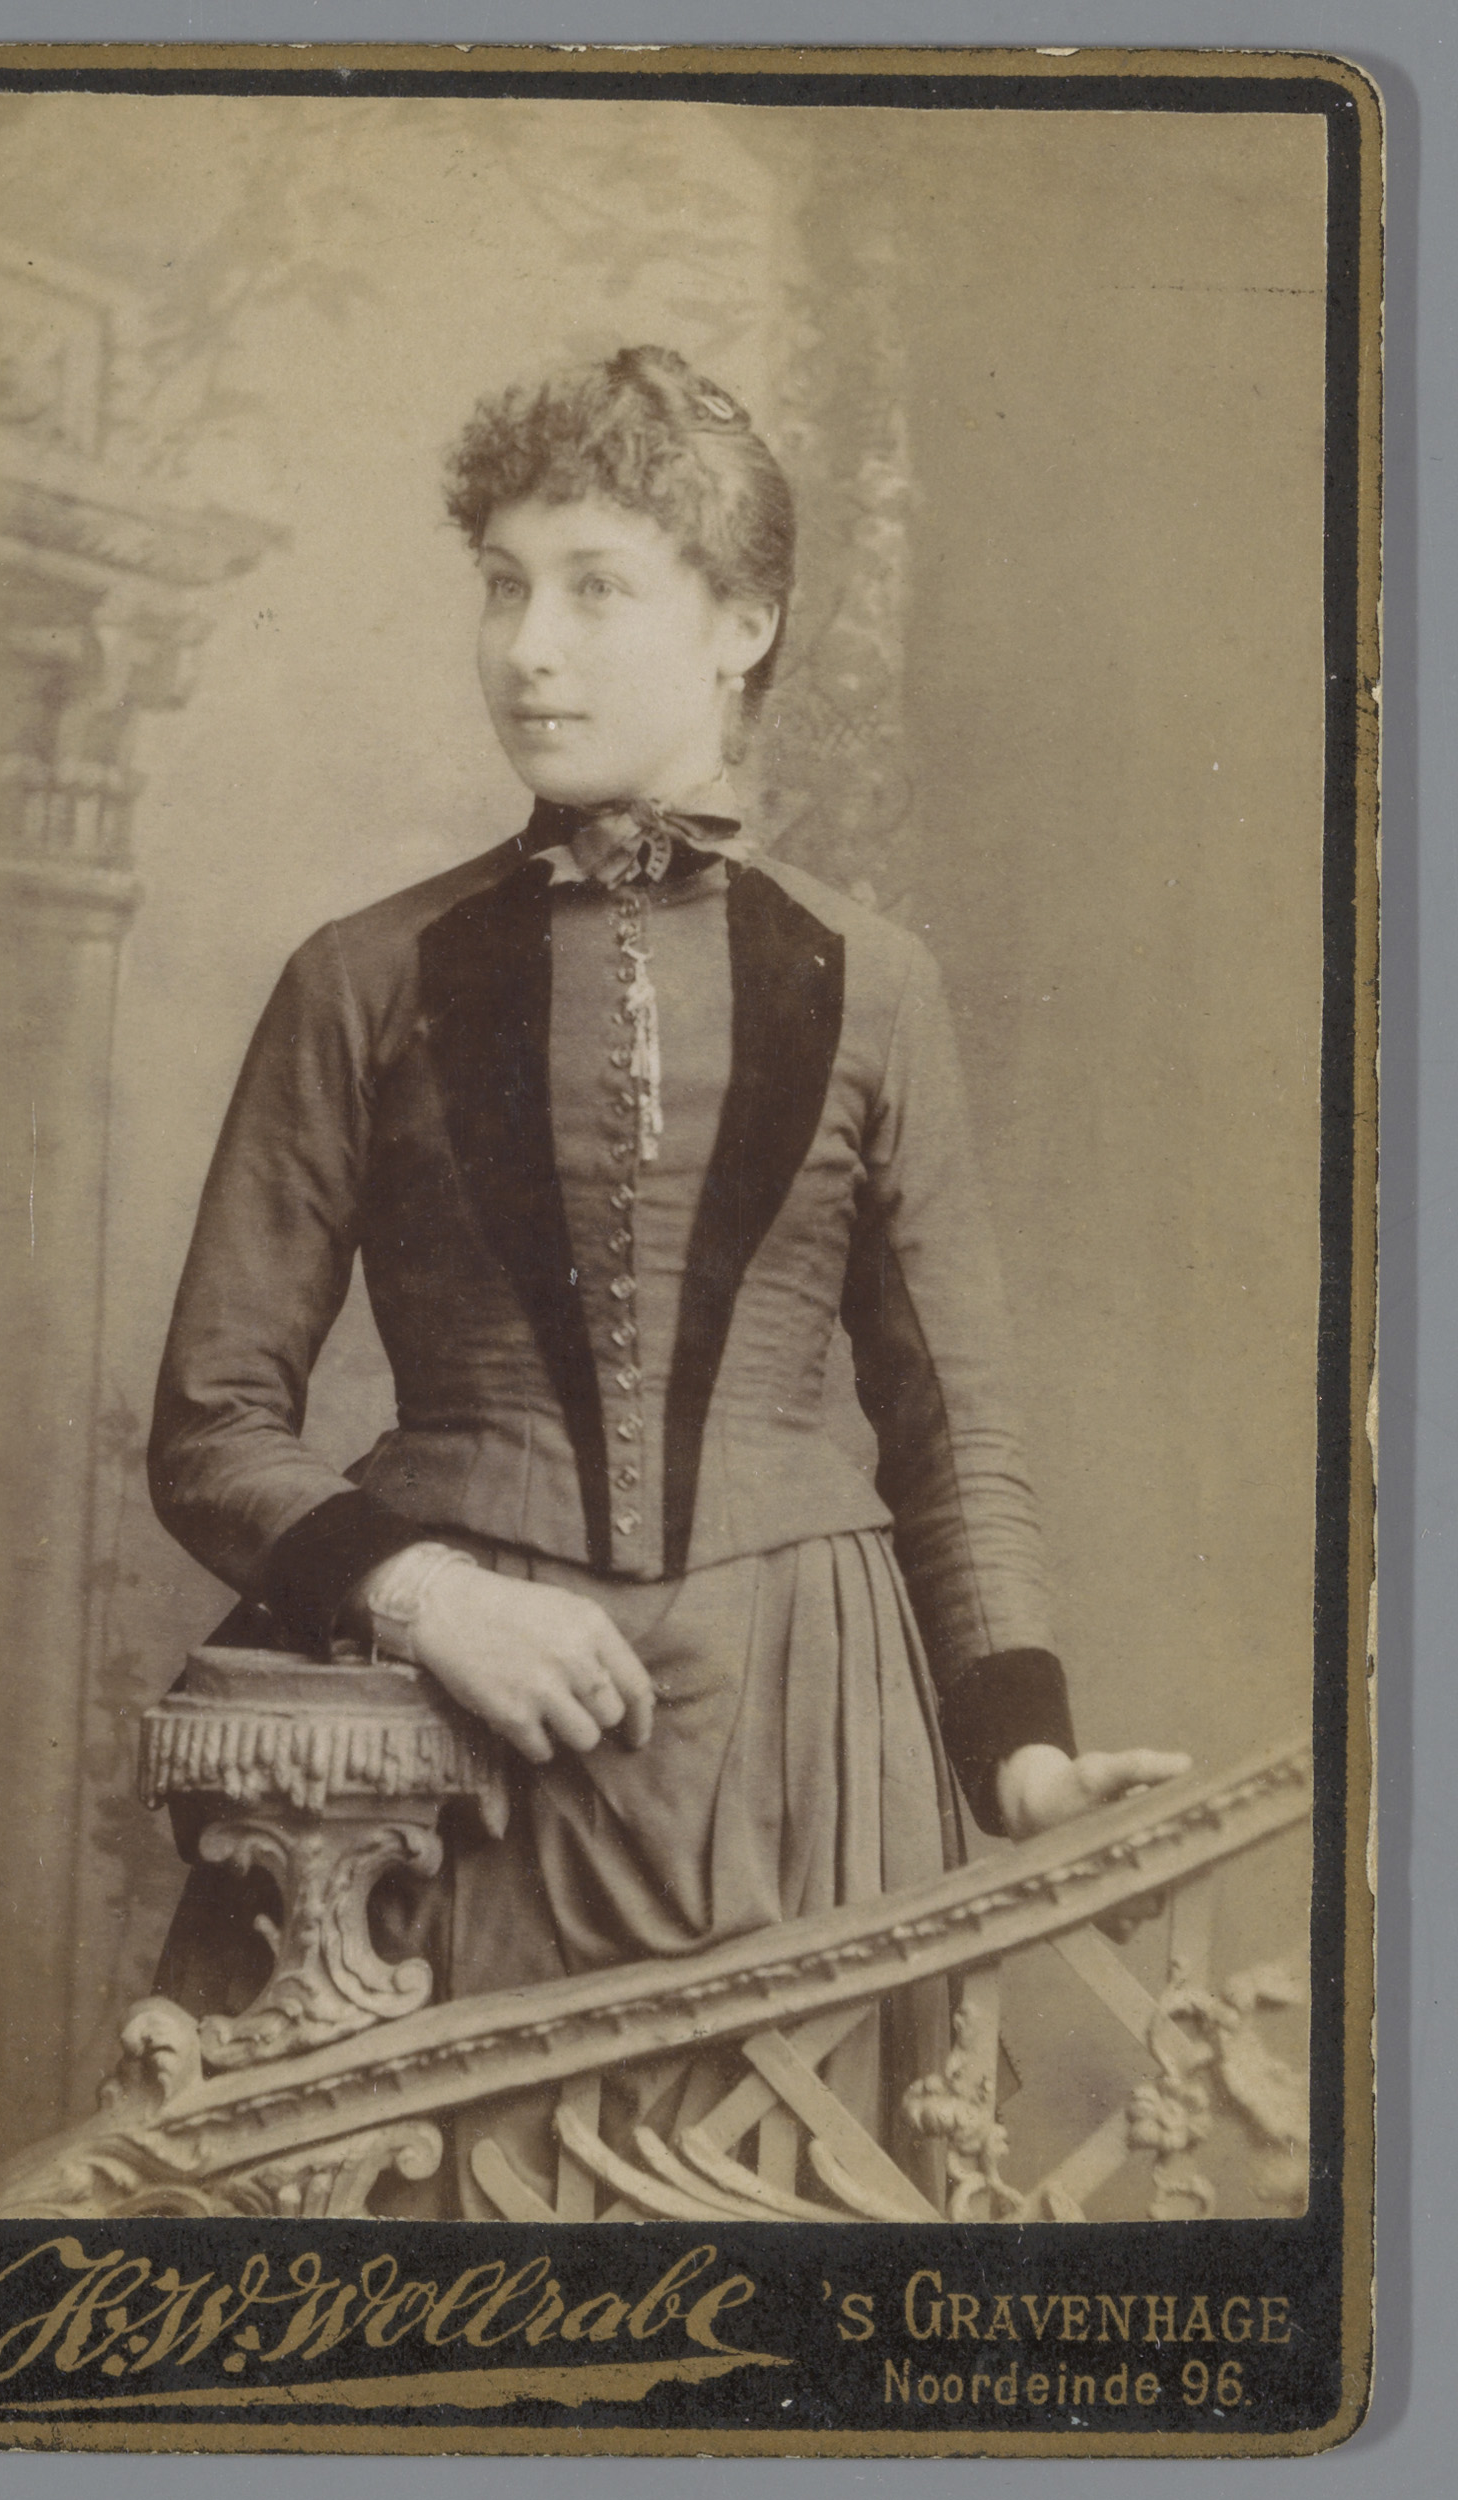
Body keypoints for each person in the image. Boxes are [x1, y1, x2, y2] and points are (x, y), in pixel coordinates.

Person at [147, 344, 1188, 2216]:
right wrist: (425, 1596)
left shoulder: (877, 983)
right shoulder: (359, 977)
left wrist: (1022, 1760)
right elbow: (213, 1427)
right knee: (440, 2291)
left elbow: (953, 1435)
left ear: (743, 623)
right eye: (502, 586)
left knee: (791, 2293)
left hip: (812, 1751)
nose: (526, 648)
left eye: (595, 588)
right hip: (461, 1754)